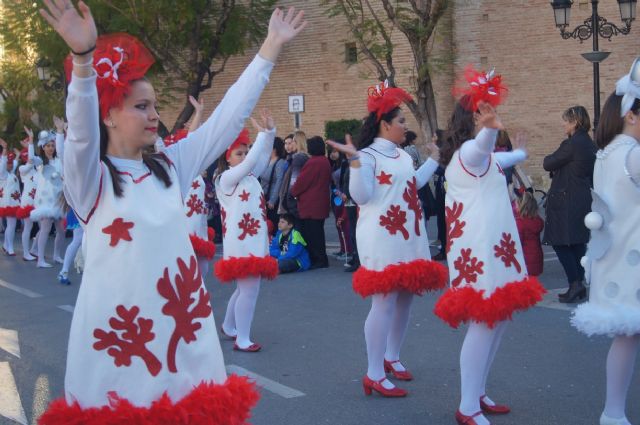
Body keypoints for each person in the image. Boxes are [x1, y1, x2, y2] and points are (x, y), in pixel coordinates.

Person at [37, 1, 305, 423]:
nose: (155, 116)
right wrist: (83, 62)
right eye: (141, 107)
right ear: (108, 114)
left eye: (155, 106)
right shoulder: (90, 181)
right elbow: (81, 135)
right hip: (122, 345)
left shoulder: (169, 167)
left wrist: (270, 46)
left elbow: (224, 119)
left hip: (182, 339)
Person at [433, 67, 546, 425]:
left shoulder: (484, 159)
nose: (491, 118)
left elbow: (503, 158)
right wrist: (490, 129)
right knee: (484, 324)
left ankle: (478, 391)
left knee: (497, 323)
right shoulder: (469, 153)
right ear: (472, 119)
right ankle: (467, 406)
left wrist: (521, 152)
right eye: (482, 112)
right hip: (480, 255)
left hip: (497, 251)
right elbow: (481, 148)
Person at [328, 81, 448, 398]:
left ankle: (392, 357)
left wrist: (435, 159)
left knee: (406, 298)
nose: (405, 127)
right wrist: (354, 161)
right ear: (385, 124)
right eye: (401, 122)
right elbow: (361, 195)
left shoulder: (401, 155)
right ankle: (374, 372)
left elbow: (412, 185)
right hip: (381, 236)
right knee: (384, 302)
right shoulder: (367, 156)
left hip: (410, 234)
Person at [571, 59, 640, 425]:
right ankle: (612, 412)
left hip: (617, 256)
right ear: (632, 115)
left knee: (628, 337)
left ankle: (613, 411)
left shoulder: (608, 153)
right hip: (631, 257)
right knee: (629, 336)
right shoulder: (632, 153)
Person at [215, 114, 279, 353]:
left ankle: (230, 326)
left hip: (255, 240)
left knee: (244, 289)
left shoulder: (250, 176)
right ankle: (242, 338)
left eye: (245, 151)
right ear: (227, 158)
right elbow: (253, 160)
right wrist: (262, 136)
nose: (244, 157)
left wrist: (269, 133)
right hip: (241, 244)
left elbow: (260, 157)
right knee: (250, 290)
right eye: (238, 153)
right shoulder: (226, 179)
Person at [543, 105, 597, 303]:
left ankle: (574, 283)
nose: (563, 124)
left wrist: (558, 162)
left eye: (566, 120)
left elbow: (548, 163)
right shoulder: (590, 144)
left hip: (566, 200)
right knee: (577, 242)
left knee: (561, 242)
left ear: (575, 122)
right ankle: (579, 283)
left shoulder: (571, 144)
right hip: (582, 198)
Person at [290, 136, 332, 269]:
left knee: (313, 235)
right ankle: (321, 259)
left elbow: (302, 182)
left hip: (310, 204)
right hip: (321, 202)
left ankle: (318, 260)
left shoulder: (313, 162)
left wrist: (293, 192)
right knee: (318, 233)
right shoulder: (325, 161)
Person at [30, 118, 66, 268]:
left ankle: (57, 255)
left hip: (58, 199)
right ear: (42, 147)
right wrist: (31, 141)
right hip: (44, 201)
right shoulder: (40, 162)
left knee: (62, 230)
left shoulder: (59, 160)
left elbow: (62, 148)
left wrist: (59, 132)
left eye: (52, 145)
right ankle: (40, 260)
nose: (51, 148)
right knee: (45, 228)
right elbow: (31, 158)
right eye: (48, 146)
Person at [16, 129, 41, 261]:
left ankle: (33, 249)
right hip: (28, 201)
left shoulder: (37, 168)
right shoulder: (22, 169)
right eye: (26, 156)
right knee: (28, 226)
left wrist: (30, 145)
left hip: (38, 200)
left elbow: (36, 159)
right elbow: (31, 160)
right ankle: (26, 253)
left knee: (43, 227)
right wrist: (31, 141)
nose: (28, 158)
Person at [277, 130, 308, 223]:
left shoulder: (298, 158)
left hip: (292, 201)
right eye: (285, 143)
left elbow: (293, 182)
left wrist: (289, 201)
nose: (288, 146)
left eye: (291, 142)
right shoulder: (289, 159)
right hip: (289, 199)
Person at [259, 136, 287, 234]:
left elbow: (279, 181)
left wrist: (273, 200)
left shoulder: (280, 162)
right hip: (264, 197)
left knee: (273, 226)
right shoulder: (267, 160)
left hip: (271, 200)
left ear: (274, 149)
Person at [515, 191, 544, 277]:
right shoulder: (538, 221)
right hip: (536, 257)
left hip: (525, 259)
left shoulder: (520, 223)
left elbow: (517, 243)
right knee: (534, 283)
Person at [0, 139, 20, 256]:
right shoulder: (2, 173)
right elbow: (3, 163)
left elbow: (15, 161)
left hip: (14, 201)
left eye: (11, 163)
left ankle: (6, 245)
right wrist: (5, 149)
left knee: (11, 224)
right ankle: (9, 247)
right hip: (7, 202)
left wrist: (17, 154)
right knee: (11, 224)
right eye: (8, 162)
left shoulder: (11, 171)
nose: (10, 164)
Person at [57, 209, 83, 285]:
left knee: (78, 240)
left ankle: (64, 271)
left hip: (82, 211)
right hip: (81, 212)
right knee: (77, 240)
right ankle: (64, 271)